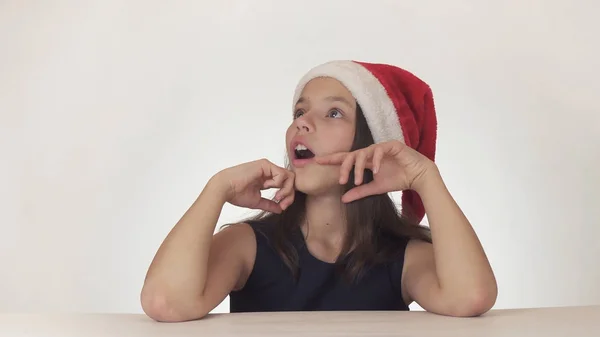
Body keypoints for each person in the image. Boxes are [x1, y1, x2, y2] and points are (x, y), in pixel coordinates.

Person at [140, 60, 498, 322]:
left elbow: (470, 298)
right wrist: (215, 190)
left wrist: (425, 177)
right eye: (300, 110)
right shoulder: (248, 245)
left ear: (375, 145)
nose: (302, 122)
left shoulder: (403, 258)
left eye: (334, 114)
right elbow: (165, 303)